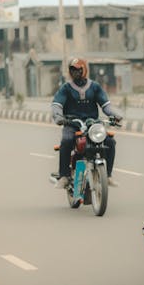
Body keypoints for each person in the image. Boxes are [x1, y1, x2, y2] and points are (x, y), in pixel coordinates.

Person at [51, 57, 123, 188]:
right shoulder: (66, 88)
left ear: (84, 70)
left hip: (92, 124)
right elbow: (57, 104)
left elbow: (106, 105)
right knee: (66, 141)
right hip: (72, 124)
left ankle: (108, 175)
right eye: (72, 70)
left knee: (110, 142)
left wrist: (115, 115)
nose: (75, 72)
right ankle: (64, 176)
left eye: (78, 70)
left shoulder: (94, 86)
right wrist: (58, 117)